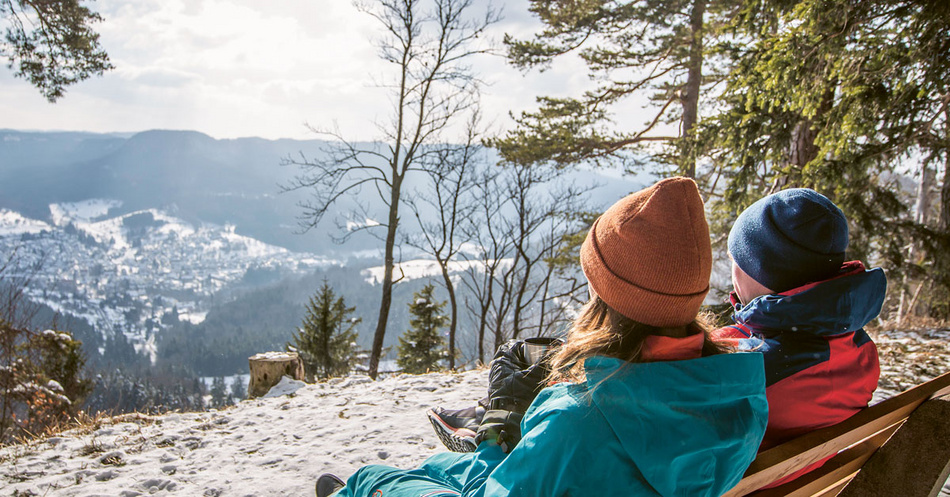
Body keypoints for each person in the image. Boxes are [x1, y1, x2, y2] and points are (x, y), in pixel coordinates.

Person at [316, 177, 769, 497]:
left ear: (608, 296)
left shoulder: (577, 417)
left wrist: (497, 440)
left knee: (372, 479)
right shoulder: (740, 394)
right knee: (436, 467)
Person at [427, 187, 886, 487]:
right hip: (773, 479)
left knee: (376, 479)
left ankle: (494, 425)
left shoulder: (744, 380)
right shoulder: (856, 353)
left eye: (738, 261)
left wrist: (529, 414)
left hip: (627, 460)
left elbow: (635, 414)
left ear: (765, 274)